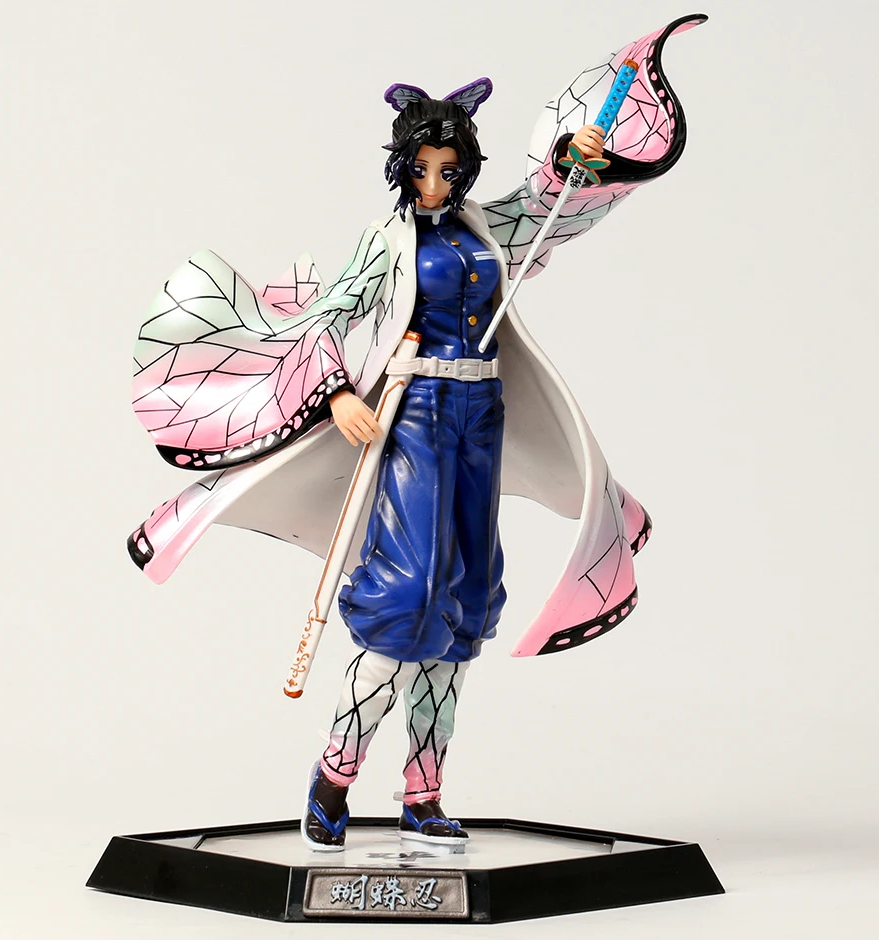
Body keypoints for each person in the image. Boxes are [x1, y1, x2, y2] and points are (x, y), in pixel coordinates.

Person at [126, 15, 707, 853]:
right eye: (424, 169)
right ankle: (334, 777)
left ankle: (423, 792)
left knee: (465, 604)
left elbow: (552, 211)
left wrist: (573, 158)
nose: (437, 183)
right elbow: (329, 316)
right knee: (409, 598)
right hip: (416, 422)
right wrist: (335, 394)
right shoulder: (387, 242)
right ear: (403, 168)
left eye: (450, 169)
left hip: (481, 420)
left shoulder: (485, 229)